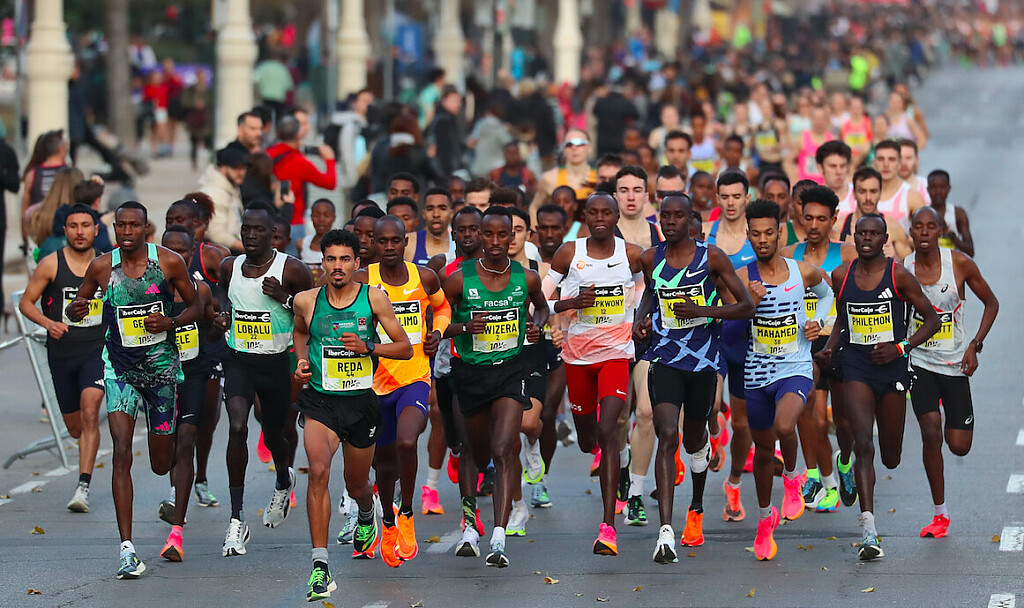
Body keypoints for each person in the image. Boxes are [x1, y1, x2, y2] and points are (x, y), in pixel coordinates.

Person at [66, 201, 201, 579]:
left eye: (134, 226)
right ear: (114, 229)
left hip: (160, 371)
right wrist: (76, 311)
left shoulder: (169, 262)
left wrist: (170, 322)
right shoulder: (101, 267)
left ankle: (175, 485)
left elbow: (196, 306)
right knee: (121, 450)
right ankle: (127, 548)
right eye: (120, 226)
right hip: (119, 370)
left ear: (146, 228)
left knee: (160, 463)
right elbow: (78, 304)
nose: (126, 232)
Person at [631, 194, 754, 563]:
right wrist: (641, 320)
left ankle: (696, 506)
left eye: (678, 216)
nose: (670, 222)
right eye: (665, 216)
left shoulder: (711, 257)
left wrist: (702, 309)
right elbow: (651, 295)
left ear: (690, 220)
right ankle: (666, 533)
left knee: (695, 440)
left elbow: (746, 306)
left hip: (703, 363)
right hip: (664, 358)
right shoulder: (650, 258)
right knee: (668, 433)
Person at [292, 228, 412, 600]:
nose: (338, 266)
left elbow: (405, 348)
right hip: (321, 403)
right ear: (322, 263)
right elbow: (299, 332)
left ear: (357, 263)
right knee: (318, 471)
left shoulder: (373, 298)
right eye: (331, 259)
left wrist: (368, 347)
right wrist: (301, 362)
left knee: (357, 483)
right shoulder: (306, 301)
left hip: (361, 404)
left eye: (345, 259)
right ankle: (320, 566)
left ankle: (365, 512)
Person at [817, 212, 939, 560]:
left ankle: (864, 473)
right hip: (856, 366)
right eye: (861, 233)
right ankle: (869, 531)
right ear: (854, 237)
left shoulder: (898, 275)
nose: (867, 238)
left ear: (885, 239)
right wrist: (829, 348)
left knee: (891, 456)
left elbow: (931, 319)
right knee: (863, 444)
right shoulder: (841, 275)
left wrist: (901, 348)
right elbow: (843, 318)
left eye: (874, 233)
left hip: (892, 368)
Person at [443, 206, 549, 567]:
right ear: (479, 236)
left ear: (513, 237)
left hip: (510, 373)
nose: (495, 241)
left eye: (503, 234)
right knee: (474, 453)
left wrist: (537, 327)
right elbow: (435, 321)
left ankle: (499, 537)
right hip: (470, 374)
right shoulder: (458, 279)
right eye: (488, 234)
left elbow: (542, 309)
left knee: (504, 448)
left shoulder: (527, 278)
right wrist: (463, 328)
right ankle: (470, 527)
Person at [735, 199, 834, 560]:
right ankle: (765, 521)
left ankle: (793, 477)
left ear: (779, 233)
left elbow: (827, 293)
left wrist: (816, 321)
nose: (763, 240)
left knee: (784, 425)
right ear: (748, 235)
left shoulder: (801, 271)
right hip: (756, 371)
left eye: (769, 233)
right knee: (763, 453)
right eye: (756, 234)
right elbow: (727, 320)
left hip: (795, 366)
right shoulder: (742, 277)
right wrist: (748, 301)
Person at [215, 202, 313, 558]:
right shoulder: (230, 266)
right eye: (246, 229)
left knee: (274, 434)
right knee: (237, 426)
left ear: (273, 234)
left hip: (276, 363)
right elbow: (224, 298)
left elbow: (312, 311)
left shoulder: (293, 269)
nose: (251, 235)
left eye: (259, 230)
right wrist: (223, 316)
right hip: (238, 360)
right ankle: (236, 519)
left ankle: (284, 478)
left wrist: (285, 298)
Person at [548, 192, 643, 557]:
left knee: (609, 430)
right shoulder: (569, 253)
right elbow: (541, 300)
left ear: (617, 216)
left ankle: (607, 527)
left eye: (607, 212)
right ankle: (612, 457)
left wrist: (637, 315)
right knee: (589, 441)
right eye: (594, 212)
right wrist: (572, 304)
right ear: (585, 217)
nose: (600, 218)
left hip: (616, 355)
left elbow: (645, 289)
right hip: (577, 360)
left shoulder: (630, 254)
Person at [355, 216, 451, 566]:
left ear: (406, 242)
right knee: (383, 462)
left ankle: (407, 512)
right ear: (374, 244)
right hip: (375, 383)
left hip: (415, 377)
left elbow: (442, 307)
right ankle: (388, 520)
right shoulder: (362, 280)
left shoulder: (423, 277)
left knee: (407, 443)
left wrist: (437, 332)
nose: (390, 247)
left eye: (396, 240)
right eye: (383, 241)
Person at [905, 207, 998, 539]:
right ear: (910, 232)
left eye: (931, 227)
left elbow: (991, 303)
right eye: (918, 227)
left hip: (955, 364)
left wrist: (975, 344)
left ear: (940, 231)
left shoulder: (959, 263)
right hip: (919, 362)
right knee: (931, 432)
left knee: (958, 445)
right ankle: (940, 513)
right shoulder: (902, 269)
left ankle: (953, 416)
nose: (924, 232)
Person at [19, 204, 105, 513]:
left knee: (90, 410)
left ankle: (83, 487)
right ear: (65, 230)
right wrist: (49, 323)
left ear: (96, 229)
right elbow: (26, 303)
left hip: (97, 351)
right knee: (75, 428)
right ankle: (85, 454)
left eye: (86, 225)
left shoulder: (106, 265)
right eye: (73, 226)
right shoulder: (51, 264)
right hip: (62, 354)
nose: (80, 232)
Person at [781, 185, 857, 513]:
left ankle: (844, 461)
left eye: (821, 219)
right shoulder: (788, 254)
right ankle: (815, 475)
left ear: (834, 219)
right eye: (808, 217)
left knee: (844, 422)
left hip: (839, 343)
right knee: (812, 411)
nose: (813, 225)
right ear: (800, 216)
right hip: (803, 344)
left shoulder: (848, 253)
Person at [155, 226, 219, 560]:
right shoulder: (148, 290)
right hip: (158, 377)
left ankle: (176, 530)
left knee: (187, 438)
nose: (177, 256)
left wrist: (219, 325)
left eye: (183, 251)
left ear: (192, 253)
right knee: (163, 453)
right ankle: (173, 486)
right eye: (170, 250)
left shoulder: (200, 289)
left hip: (193, 372)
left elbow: (210, 325)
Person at [164, 196, 229, 508]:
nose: (175, 225)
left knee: (206, 418)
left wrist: (218, 314)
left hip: (209, 349)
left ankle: (200, 478)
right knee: (175, 425)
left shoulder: (212, 256)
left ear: (197, 226)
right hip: (169, 352)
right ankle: (177, 485)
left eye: (181, 221)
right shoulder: (157, 264)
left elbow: (229, 296)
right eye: (170, 221)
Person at [703, 170, 757, 523]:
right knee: (709, 403)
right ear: (717, 199)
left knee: (742, 423)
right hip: (715, 332)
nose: (731, 203)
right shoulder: (708, 237)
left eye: (737, 196)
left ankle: (734, 482)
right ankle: (713, 431)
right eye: (725, 197)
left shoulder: (759, 236)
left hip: (748, 338)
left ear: (747, 198)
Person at [266, 115, 337, 248]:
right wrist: (329, 160)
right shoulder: (299, 162)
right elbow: (330, 183)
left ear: (277, 133)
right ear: (298, 134)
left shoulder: (266, 155)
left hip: (268, 221)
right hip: (293, 222)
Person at [840, 167, 912, 259]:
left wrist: (894, 258)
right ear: (854, 193)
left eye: (873, 191)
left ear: (880, 193)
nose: (868, 198)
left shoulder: (894, 228)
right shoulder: (839, 226)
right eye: (862, 192)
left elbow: (909, 264)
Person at [529, 128, 597, 221]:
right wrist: (537, 229)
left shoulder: (600, 178)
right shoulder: (549, 179)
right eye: (569, 144)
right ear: (563, 149)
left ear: (589, 148)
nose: (574, 148)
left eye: (580, 144)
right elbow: (534, 208)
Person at [199, 147, 247, 252]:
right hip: (222, 253)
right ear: (223, 168)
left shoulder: (230, 188)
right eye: (235, 168)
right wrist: (246, 248)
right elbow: (216, 234)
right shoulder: (214, 193)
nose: (241, 173)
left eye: (243, 168)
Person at [872, 139, 926, 232]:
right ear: (874, 163)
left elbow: (924, 234)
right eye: (881, 159)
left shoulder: (912, 197)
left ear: (899, 163)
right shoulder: (858, 193)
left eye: (891, 159)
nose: (886, 164)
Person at [613, 166, 662, 249]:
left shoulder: (662, 235)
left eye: (637, 191)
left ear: (646, 197)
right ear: (615, 197)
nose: (631, 197)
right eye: (624, 191)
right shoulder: (606, 237)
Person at [926, 170, 974, 256]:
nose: (938, 192)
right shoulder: (923, 214)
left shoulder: (958, 213)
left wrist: (951, 235)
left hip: (953, 262)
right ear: (928, 189)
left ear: (948, 189)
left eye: (942, 187)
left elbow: (970, 250)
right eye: (933, 188)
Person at [405, 187, 454, 265]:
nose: (436, 214)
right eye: (430, 209)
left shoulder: (459, 244)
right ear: (424, 214)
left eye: (442, 208)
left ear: (451, 213)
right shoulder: (408, 243)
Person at [815, 140, 857, 225]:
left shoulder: (860, 195)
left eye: (842, 166)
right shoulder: (813, 199)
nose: (839, 171)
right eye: (833, 166)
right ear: (820, 168)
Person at [428, 85, 466, 176]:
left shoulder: (450, 119)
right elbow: (444, 151)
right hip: (447, 172)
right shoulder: (443, 121)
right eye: (454, 101)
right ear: (444, 100)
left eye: (459, 101)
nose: (458, 104)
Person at [297, 199, 337, 269]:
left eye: (327, 216)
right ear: (311, 217)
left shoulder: (340, 245)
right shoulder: (302, 244)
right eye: (316, 215)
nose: (321, 219)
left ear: (334, 218)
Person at [254, 51, 294, 121]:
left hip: (265, 97)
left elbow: (255, 80)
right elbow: (289, 86)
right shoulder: (282, 68)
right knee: (277, 120)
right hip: (279, 98)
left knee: (265, 119)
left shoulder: (262, 67)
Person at [897, 139, 932, 206]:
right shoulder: (883, 187)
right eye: (900, 158)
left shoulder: (927, 185)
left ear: (916, 160)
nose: (903, 163)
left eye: (908, 158)